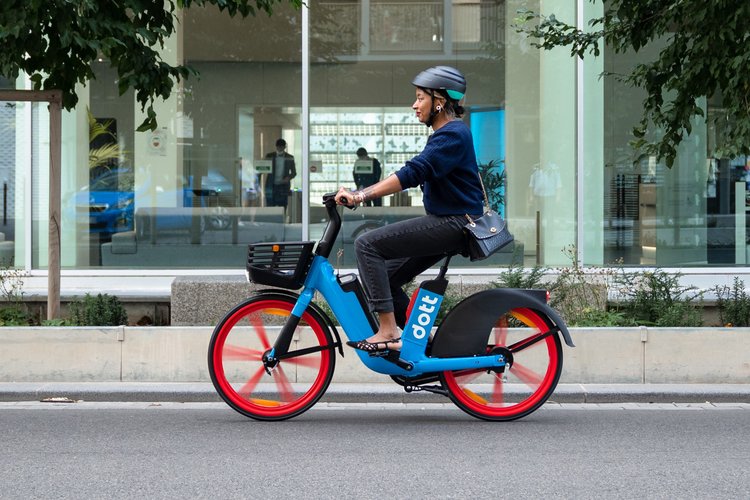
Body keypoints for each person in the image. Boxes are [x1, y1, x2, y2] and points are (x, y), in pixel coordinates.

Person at [335, 66, 484, 353]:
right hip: (448, 221)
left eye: (420, 98)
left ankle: (389, 331)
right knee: (383, 279)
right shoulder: (449, 134)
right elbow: (425, 173)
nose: (414, 105)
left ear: (439, 101)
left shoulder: (453, 133)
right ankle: (419, 341)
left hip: (455, 223)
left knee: (367, 245)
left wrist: (360, 195)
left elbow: (414, 172)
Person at [265, 138, 296, 208]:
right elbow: (263, 168)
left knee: (283, 207)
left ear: (285, 147)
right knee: (270, 206)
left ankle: (283, 218)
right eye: (278, 147)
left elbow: (294, 172)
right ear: (276, 147)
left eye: (281, 147)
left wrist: (288, 178)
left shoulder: (290, 157)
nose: (280, 149)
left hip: (283, 186)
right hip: (271, 185)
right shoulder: (269, 156)